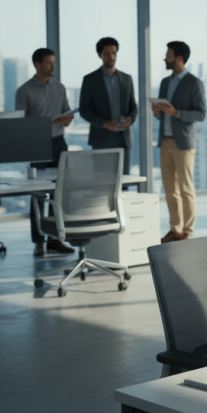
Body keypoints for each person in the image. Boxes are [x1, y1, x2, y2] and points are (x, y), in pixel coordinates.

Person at [15, 48, 75, 258]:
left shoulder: (59, 87)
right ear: (37, 64)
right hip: (37, 145)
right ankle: (39, 241)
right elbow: (21, 125)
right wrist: (50, 122)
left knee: (59, 193)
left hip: (60, 144)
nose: (53, 66)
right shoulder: (24, 91)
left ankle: (56, 240)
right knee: (38, 196)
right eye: (49, 63)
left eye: (54, 62)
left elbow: (67, 112)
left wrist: (66, 119)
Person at [152, 41, 207, 244]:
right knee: (169, 189)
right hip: (164, 141)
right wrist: (158, 112)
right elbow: (163, 115)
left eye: (169, 55)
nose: (165, 58)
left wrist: (177, 113)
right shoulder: (165, 82)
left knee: (185, 189)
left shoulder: (194, 83)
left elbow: (201, 114)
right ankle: (175, 229)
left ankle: (187, 231)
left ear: (179, 58)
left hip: (183, 143)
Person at [79, 37, 137, 176]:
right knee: (101, 183)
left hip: (124, 139)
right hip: (101, 139)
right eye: (106, 53)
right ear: (100, 55)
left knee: (123, 183)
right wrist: (105, 123)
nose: (111, 56)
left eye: (114, 52)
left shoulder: (127, 79)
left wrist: (131, 119)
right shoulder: (90, 80)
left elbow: (133, 107)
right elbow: (84, 110)